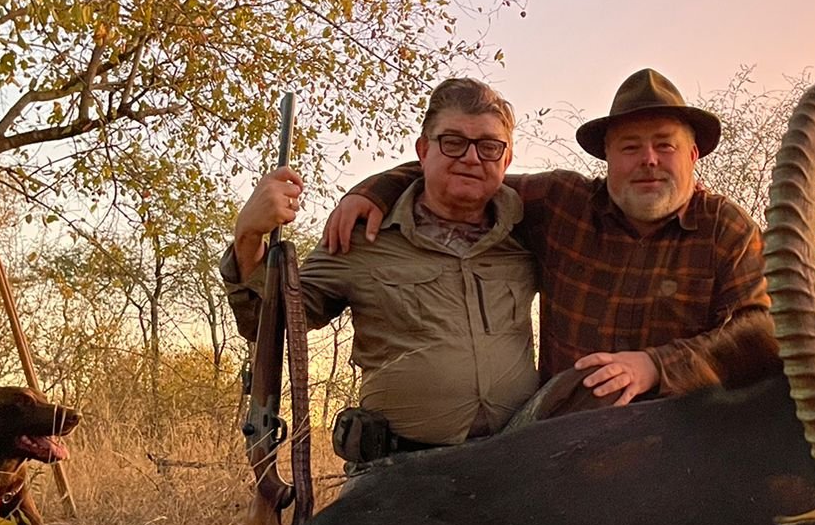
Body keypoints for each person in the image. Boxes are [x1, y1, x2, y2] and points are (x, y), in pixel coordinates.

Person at [325, 69, 774, 406]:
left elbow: (761, 333)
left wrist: (656, 365)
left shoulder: (727, 229)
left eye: (665, 145)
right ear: (608, 158)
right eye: (630, 147)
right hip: (559, 447)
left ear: (692, 154)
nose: (649, 160)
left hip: (677, 443)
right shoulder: (562, 202)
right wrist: (375, 189)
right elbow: (472, 170)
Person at [221, 78, 538, 458]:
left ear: (506, 159)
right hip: (396, 470)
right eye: (452, 142)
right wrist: (249, 235)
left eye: (489, 147)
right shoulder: (359, 235)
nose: (471, 158)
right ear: (423, 151)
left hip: (515, 461)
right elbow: (266, 323)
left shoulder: (532, 230)